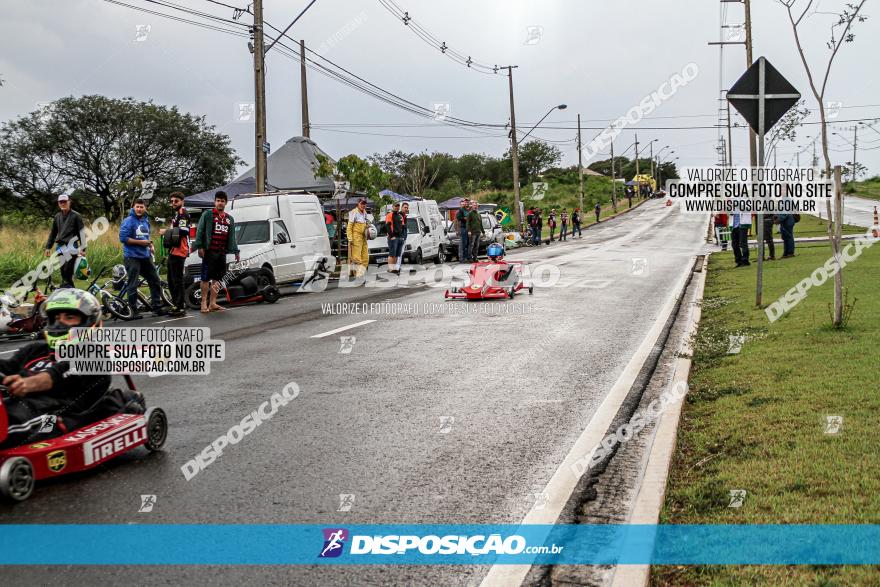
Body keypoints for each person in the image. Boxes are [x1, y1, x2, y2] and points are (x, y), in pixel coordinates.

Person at [0, 289, 132, 449]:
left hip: (55, 418)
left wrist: (26, 384)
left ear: (88, 322)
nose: (60, 323)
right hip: (17, 407)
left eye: (69, 317)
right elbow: (7, 367)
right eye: (56, 318)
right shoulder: (36, 350)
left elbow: (54, 376)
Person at [119, 199, 168, 318]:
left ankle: (156, 307)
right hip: (132, 257)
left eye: (142, 207)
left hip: (145, 256)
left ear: (145, 208)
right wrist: (141, 243)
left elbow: (146, 236)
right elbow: (123, 238)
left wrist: (150, 245)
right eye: (137, 207)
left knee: (155, 280)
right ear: (133, 207)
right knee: (133, 284)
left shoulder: (146, 221)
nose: (139, 209)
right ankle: (133, 311)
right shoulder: (128, 221)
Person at [193, 191, 240, 312]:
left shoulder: (229, 219)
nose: (220, 203)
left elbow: (232, 236)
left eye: (222, 201)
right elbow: (200, 230)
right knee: (205, 278)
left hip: (221, 252)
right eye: (218, 200)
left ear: (226, 203)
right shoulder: (208, 214)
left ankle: (213, 303)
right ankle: (203, 303)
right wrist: (199, 246)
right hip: (209, 251)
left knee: (218, 278)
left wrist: (236, 251)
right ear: (215, 202)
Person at [44, 194, 86, 289]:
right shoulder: (57, 216)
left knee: (68, 269)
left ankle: (66, 288)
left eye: (65, 201)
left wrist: (83, 248)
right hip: (60, 247)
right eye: (61, 202)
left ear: (69, 202)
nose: (63, 203)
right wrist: (48, 247)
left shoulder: (76, 216)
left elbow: (82, 233)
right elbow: (53, 233)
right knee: (63, 271)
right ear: (58, 203)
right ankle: (68, 290)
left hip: (72, 246)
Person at [160, 192, 190, 317]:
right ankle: (176, 304)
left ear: (182, 201)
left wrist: (166, 231)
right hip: (174, 250)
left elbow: (184, 230)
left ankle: (180, 306)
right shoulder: (177, 214)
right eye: (171, 201)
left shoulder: (183, 213)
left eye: (176, 201)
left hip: (180, 250)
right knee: (171, 280)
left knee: (177, 280)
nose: (173, 203)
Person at [346, 199, 370, 277]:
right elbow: (349, 227)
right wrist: (350, 238)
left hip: (364, 237)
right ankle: (358, 275)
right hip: (356, 237)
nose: (363, 205)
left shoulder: (365, 212)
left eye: (365, 204)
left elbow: (366, 223)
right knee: (357, 258)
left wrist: (368, 227)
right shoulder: (353, 212)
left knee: (365, 258)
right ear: (358, 204)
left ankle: (359, 273)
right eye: (362, 203)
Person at [385, 202, 403, 272]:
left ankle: (394, 268)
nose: (397, 207)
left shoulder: (400, 216)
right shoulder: (389, 215)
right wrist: (391, 236)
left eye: (398, 206)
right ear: (392, 207)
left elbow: (401, 227)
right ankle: (390, 269)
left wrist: (401, 236)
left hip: (399, 237)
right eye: (396, 206)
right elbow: (387, 226)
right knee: (392, 254)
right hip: (393, 237)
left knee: (396, 254)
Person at [395, 202, 409, 272]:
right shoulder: (399, 215)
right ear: (401, 207)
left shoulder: (405, 216)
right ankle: (397, 268)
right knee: (399, 252)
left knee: (400, 252)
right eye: (405, 207)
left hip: (403, 237)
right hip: (399, 237)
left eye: (407, 207)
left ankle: (398, 267)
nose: (406, 209)